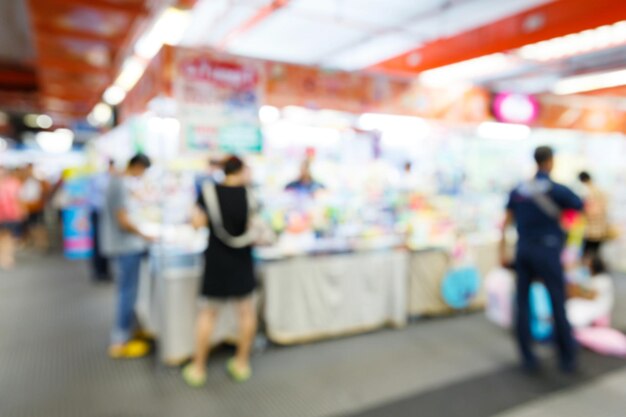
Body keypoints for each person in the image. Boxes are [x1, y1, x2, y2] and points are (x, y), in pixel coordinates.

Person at [500, 146, 584, 373]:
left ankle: (527, 356)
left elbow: (505, 221)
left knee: (523, 303)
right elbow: (579, 208)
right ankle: (567, 357)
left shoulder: (519, 189)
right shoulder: (557, 190)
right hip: (547, 251)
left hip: (523, 250)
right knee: (557, 301)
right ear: (550, 162)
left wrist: (502, 251)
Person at [183, 156, 257, 386]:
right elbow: (254, 227)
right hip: (242, 258)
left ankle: (198, 368)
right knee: (246, 312)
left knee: (208, 313)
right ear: (241, 170)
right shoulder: (250, 195)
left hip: (216, 260)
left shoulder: (209, 192)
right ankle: (242, 363)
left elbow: (196, 223)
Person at [101, 154, 154, 359]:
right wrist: (144, 234)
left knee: (129, 289)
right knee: (128, 291)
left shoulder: (119, 182)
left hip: (123, 245)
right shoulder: (119, 184)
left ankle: (128, 330)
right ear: (137, 166)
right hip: (125, 246)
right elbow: (122, 219)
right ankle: (121, 338)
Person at [88, 160, 116, 282]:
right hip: (99, 213)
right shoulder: (102, 179)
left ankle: (104, 271)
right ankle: (99, 272)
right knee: (99, 243)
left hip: (103, 213)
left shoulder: (108, 178)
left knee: (104, 242)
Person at [567, 256, 614, 329]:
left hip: (597, 307)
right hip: (591, 304)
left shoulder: (603, 279)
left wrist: (577, 293)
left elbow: (592, 296)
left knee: (573, 306)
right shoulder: (592, 278)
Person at [19, 163, 50, 251]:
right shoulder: (23, 180)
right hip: (29, 206)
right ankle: (37, 242)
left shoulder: (39, 181)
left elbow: (44, 193)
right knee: (31, 225)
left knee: (38, 225)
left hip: (37, 206)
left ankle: (42, 243)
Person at [578, 171, 609, 260]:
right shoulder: (600, 189)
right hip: (600, 227)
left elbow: (587, 209)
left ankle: (589, 270)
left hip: (591, 228)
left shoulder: (587, 191)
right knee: (595, 253)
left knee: (588, 253)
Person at [0, 167, 25, 270]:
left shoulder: (14, 183)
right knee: (2, 237)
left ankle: (8, 255)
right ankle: (3, 256)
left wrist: (22, 209)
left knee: (12, 237)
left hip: (13, 214)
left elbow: (20, 198)